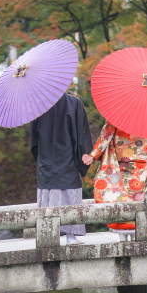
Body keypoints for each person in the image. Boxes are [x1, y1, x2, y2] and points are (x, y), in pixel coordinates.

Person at [31, 92, 94, 245]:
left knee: (47, 200)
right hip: (68, 161)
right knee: (69, 198)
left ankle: (47, 238)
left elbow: (34, 141)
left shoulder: (37, 106)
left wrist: (41, 159)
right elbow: (81, 136)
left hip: (46, 163)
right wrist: (83, 157)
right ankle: (71, 237)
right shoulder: (74, 103)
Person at [82, 121, 147, 204]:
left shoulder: (118, 116)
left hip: (120, 161)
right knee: (136, 198)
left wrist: (93, 154)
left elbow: (107, 135)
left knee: (113, 195)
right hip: (141, 164)